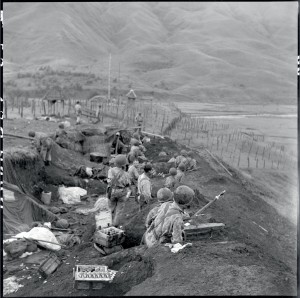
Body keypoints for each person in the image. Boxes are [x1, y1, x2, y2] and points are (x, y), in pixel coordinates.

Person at [107, 154, 131, 227]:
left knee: (110, 208)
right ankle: (115, 225)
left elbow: (109, 181)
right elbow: (128, 184)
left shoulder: (111, 170)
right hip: (122, 192)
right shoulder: (126, 174)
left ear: (115, 162)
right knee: (119, 211)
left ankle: (107, 223)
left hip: (112, 191)